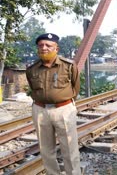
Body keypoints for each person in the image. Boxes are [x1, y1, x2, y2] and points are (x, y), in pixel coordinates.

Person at [26, 33, 81, 175]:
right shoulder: (32, 69)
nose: (44, 48)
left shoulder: (68, 66)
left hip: (63, 109)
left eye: (48, 45)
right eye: (40, 45)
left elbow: (76, 87)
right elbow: (32, 88)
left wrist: (63, 100)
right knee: (45, 149)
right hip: (40, 111)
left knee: (69, 148)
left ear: (56, 48)